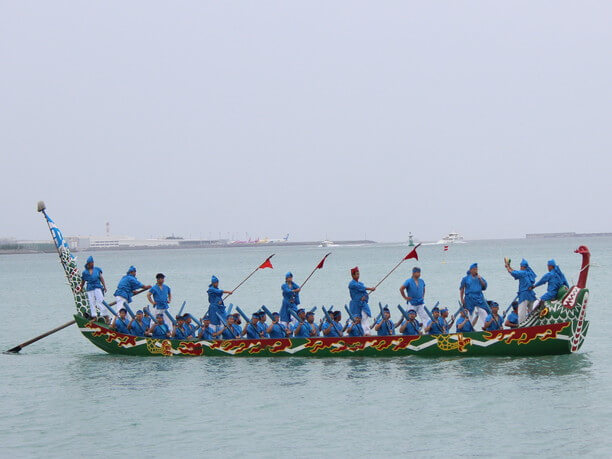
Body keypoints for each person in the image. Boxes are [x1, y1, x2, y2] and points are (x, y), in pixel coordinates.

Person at [505, 258, 537, 323]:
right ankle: (534, 323)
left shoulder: (523, 273)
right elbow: (517, 272)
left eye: (520, 266)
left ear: (523, 267)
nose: (520, 267)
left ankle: (521, 326)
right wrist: (509, 266)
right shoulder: (529, 272)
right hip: (531, 295)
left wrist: (507, 267)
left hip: (524, 295)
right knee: (533, 312)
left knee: (521, 313)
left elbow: (513, 272)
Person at [77, 256, 108, 320]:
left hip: (97, 287)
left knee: (101, 300)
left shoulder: (97, 269)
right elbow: (83, 281)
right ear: (88, 264)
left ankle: (105, 316)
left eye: (93, 262)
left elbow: (101, 278)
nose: (92, 264)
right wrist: (81, 288)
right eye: (91, 263)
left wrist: (104, 286)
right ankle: (94, 316)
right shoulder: (85, 272)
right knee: (92, 302)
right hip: (90, 288)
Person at [459, 263, 489, 327]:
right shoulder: (465, 278)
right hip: (469, 297)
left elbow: (484, 286)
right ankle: (468, 327)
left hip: (479, 296)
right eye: (474, 269)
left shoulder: (479, 277)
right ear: (471, 270)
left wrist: (480, 279)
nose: (476, 270)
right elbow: (462, 289)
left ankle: (486, 326)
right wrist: (461, 298)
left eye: (476, 269)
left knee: (483, 311)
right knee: (470, 313)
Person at [348, 267, 376, 334]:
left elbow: (364, 292)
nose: (358, 275)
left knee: (364, 317)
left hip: (362, 304)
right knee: (356, 318)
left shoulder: (361, 283)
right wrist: (370, 288)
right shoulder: (351, 284)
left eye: (358, 274)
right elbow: (360, 288)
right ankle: (357, 333)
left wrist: (365, 298)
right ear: (353, 275)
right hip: (355, 304)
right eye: (357, 274)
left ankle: (366, 333)